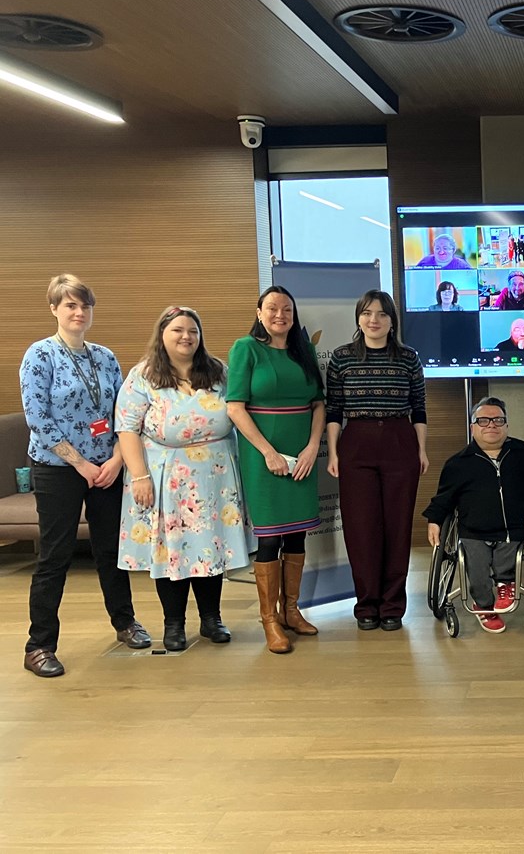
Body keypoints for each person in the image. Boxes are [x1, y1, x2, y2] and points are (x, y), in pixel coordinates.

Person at [19, 274, 151, 678]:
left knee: (112, 550)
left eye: (84, 306)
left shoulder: (105, 357)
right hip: (59, 468)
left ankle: (125, 622)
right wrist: (80, 463)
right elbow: (38, 419)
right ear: (54, 309)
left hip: (107, 468)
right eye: (70, 305)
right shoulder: (39, 356)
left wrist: (115, 460)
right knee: (54, 555)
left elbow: (122, 415)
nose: (78, 313)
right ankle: (39, 645)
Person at [116, 306, 253, 650]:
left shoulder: (219, 370)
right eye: (177, 329)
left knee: (211, 547)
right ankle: (173, 624)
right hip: (165, 477)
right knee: (171, 552)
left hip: (215, 477)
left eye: (192, 330)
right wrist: (140, 476)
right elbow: (127, 429)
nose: (186, 336)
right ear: (162, 333)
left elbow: (240, 411)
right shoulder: (143, 376)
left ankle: (211, 619)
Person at [227, 286, 326, 654]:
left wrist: (312, 447)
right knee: (269, 538)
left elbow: (318, 404)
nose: (280, 315)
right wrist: (269, 452)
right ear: (259, 311)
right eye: (272, 308)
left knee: (297, 534)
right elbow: (235, 407)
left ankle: (291, 610)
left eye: (287, 309)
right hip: (262, 455)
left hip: (302, 452)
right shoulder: (245, 349)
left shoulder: (305, 350)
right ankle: (269, 619)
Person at [326, 291, 428, 631]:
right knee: (361, 528)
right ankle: (366, 605)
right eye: (368, 313)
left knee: (398, 527)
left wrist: (422, 449)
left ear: (391, 321)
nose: (374, 320)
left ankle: (392, 607)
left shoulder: (409, 357)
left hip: (400, 440)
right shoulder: (341, 359)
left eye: (382, 314)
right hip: (356, 442)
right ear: (358, 318)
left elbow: (419, 408)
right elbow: (334, 411)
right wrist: (335, 451)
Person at [423, 398, 524, 633]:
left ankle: (506, 583)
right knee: (475, 568)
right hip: (473, 530)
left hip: (516, 528)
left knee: (507, 556)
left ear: (506, 426)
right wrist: (434, 521)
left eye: (498, 420)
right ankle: (483, 604)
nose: (491, 425)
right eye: (483, 420)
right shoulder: (457, 463)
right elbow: (443, 499)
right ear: (473, 427)